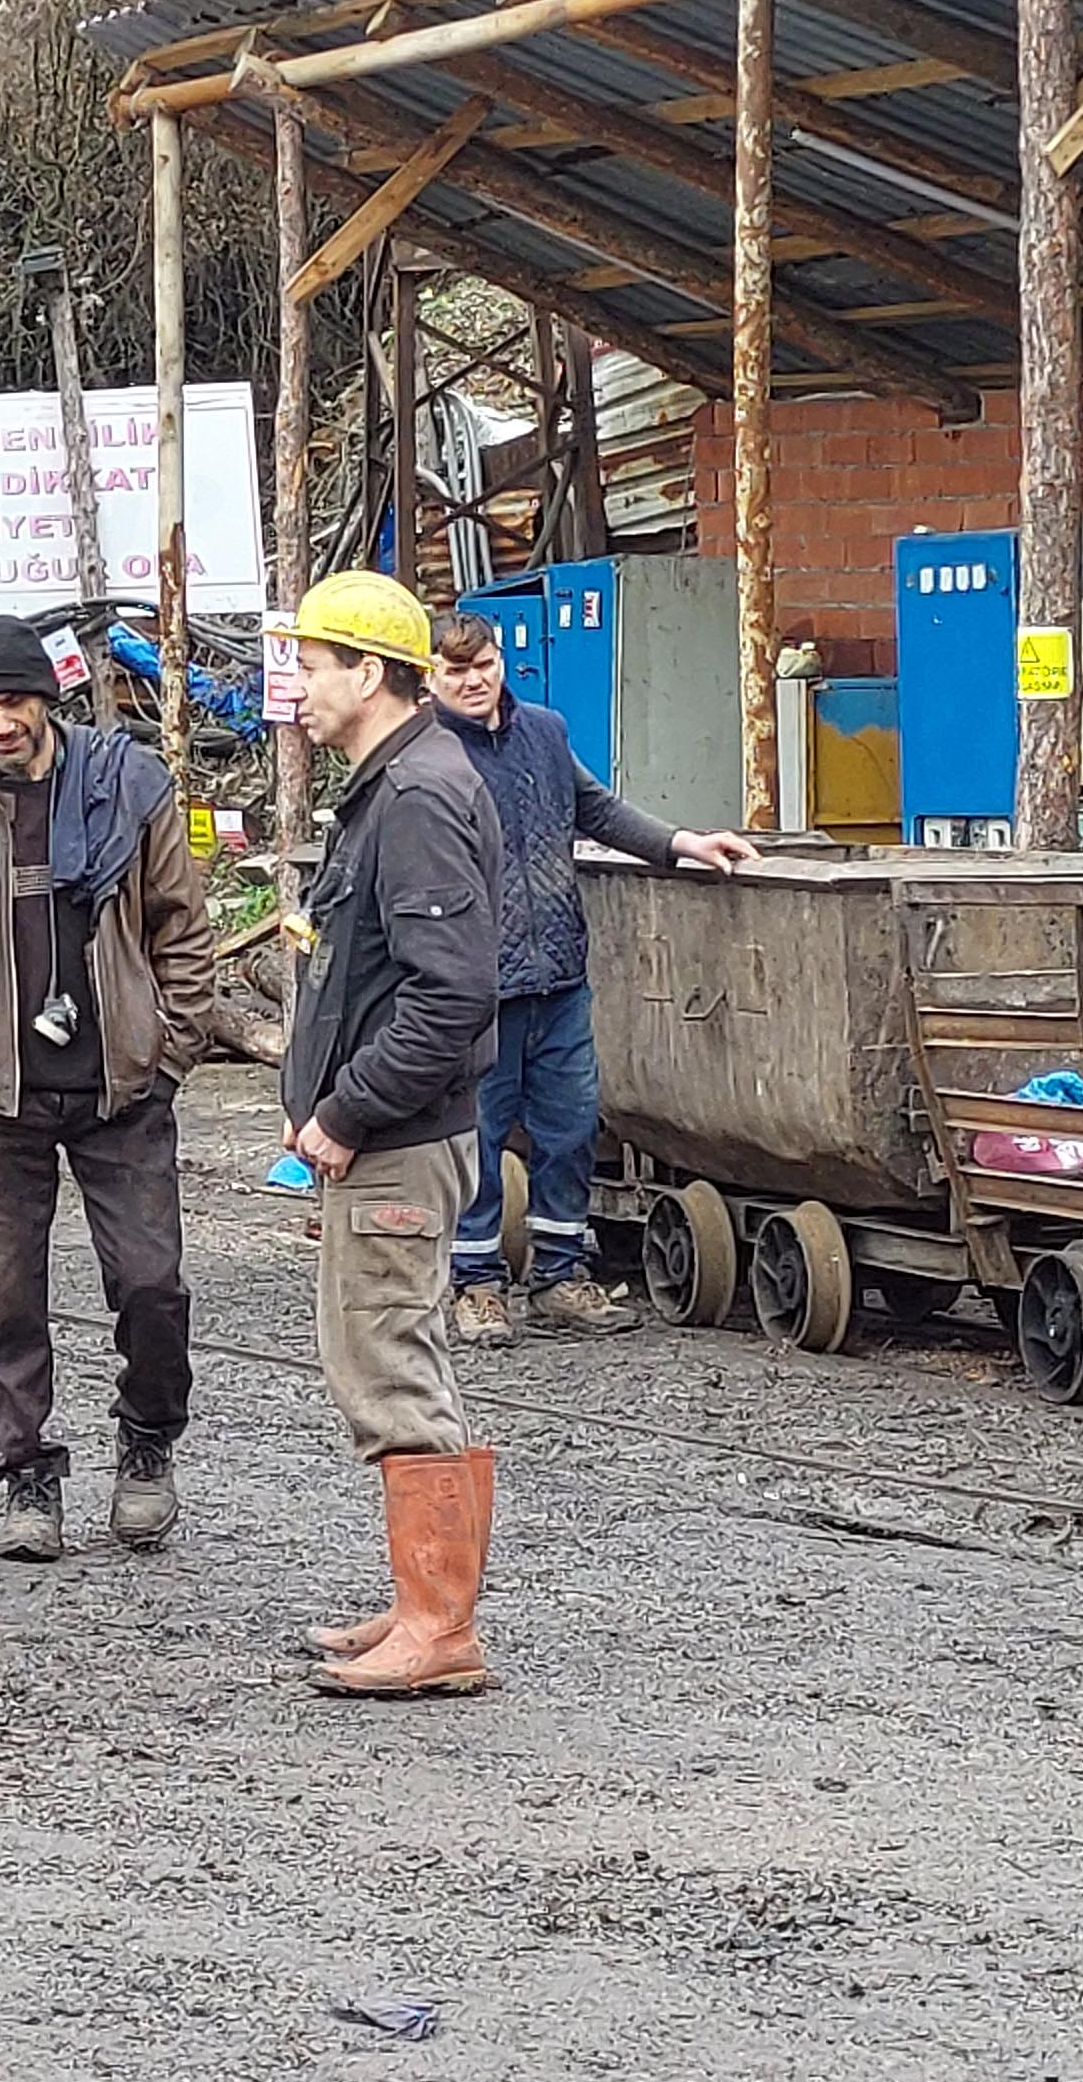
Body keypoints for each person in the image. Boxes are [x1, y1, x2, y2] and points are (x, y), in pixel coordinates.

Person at [0, 614, 217, 1562]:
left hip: (121, 1088)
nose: (0, 723)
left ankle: (148, 1441)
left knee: (153, 1286)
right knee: (6, 1300)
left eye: (15, 701)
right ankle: (27, 1473)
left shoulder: (128, 789)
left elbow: (181, 932)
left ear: (49, 697)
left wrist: (168, 1057)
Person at [274, 573, 498, 1697]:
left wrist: (343, 1110)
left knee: (392, 1367)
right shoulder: (397, 783)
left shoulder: (413, 794)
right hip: (398, 1133)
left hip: (396, 1140)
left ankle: (439, 1626)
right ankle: (422, 1604)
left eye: (311, 666)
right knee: (393, 1356)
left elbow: (450, 993)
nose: (296, 686)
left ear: (369, 672)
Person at [427, 610, 758, 1345]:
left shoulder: (543, 733)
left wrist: (682, 843)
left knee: (570, 1126)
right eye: (456, 671)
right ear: (431, 678)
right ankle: (475, 1284)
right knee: (476, 1138)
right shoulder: (423, 755)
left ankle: (559, 1274)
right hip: (476, 987)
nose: (474, 681)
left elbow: (595, 810)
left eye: (482, 664)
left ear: (502, 661)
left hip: (557, 975)